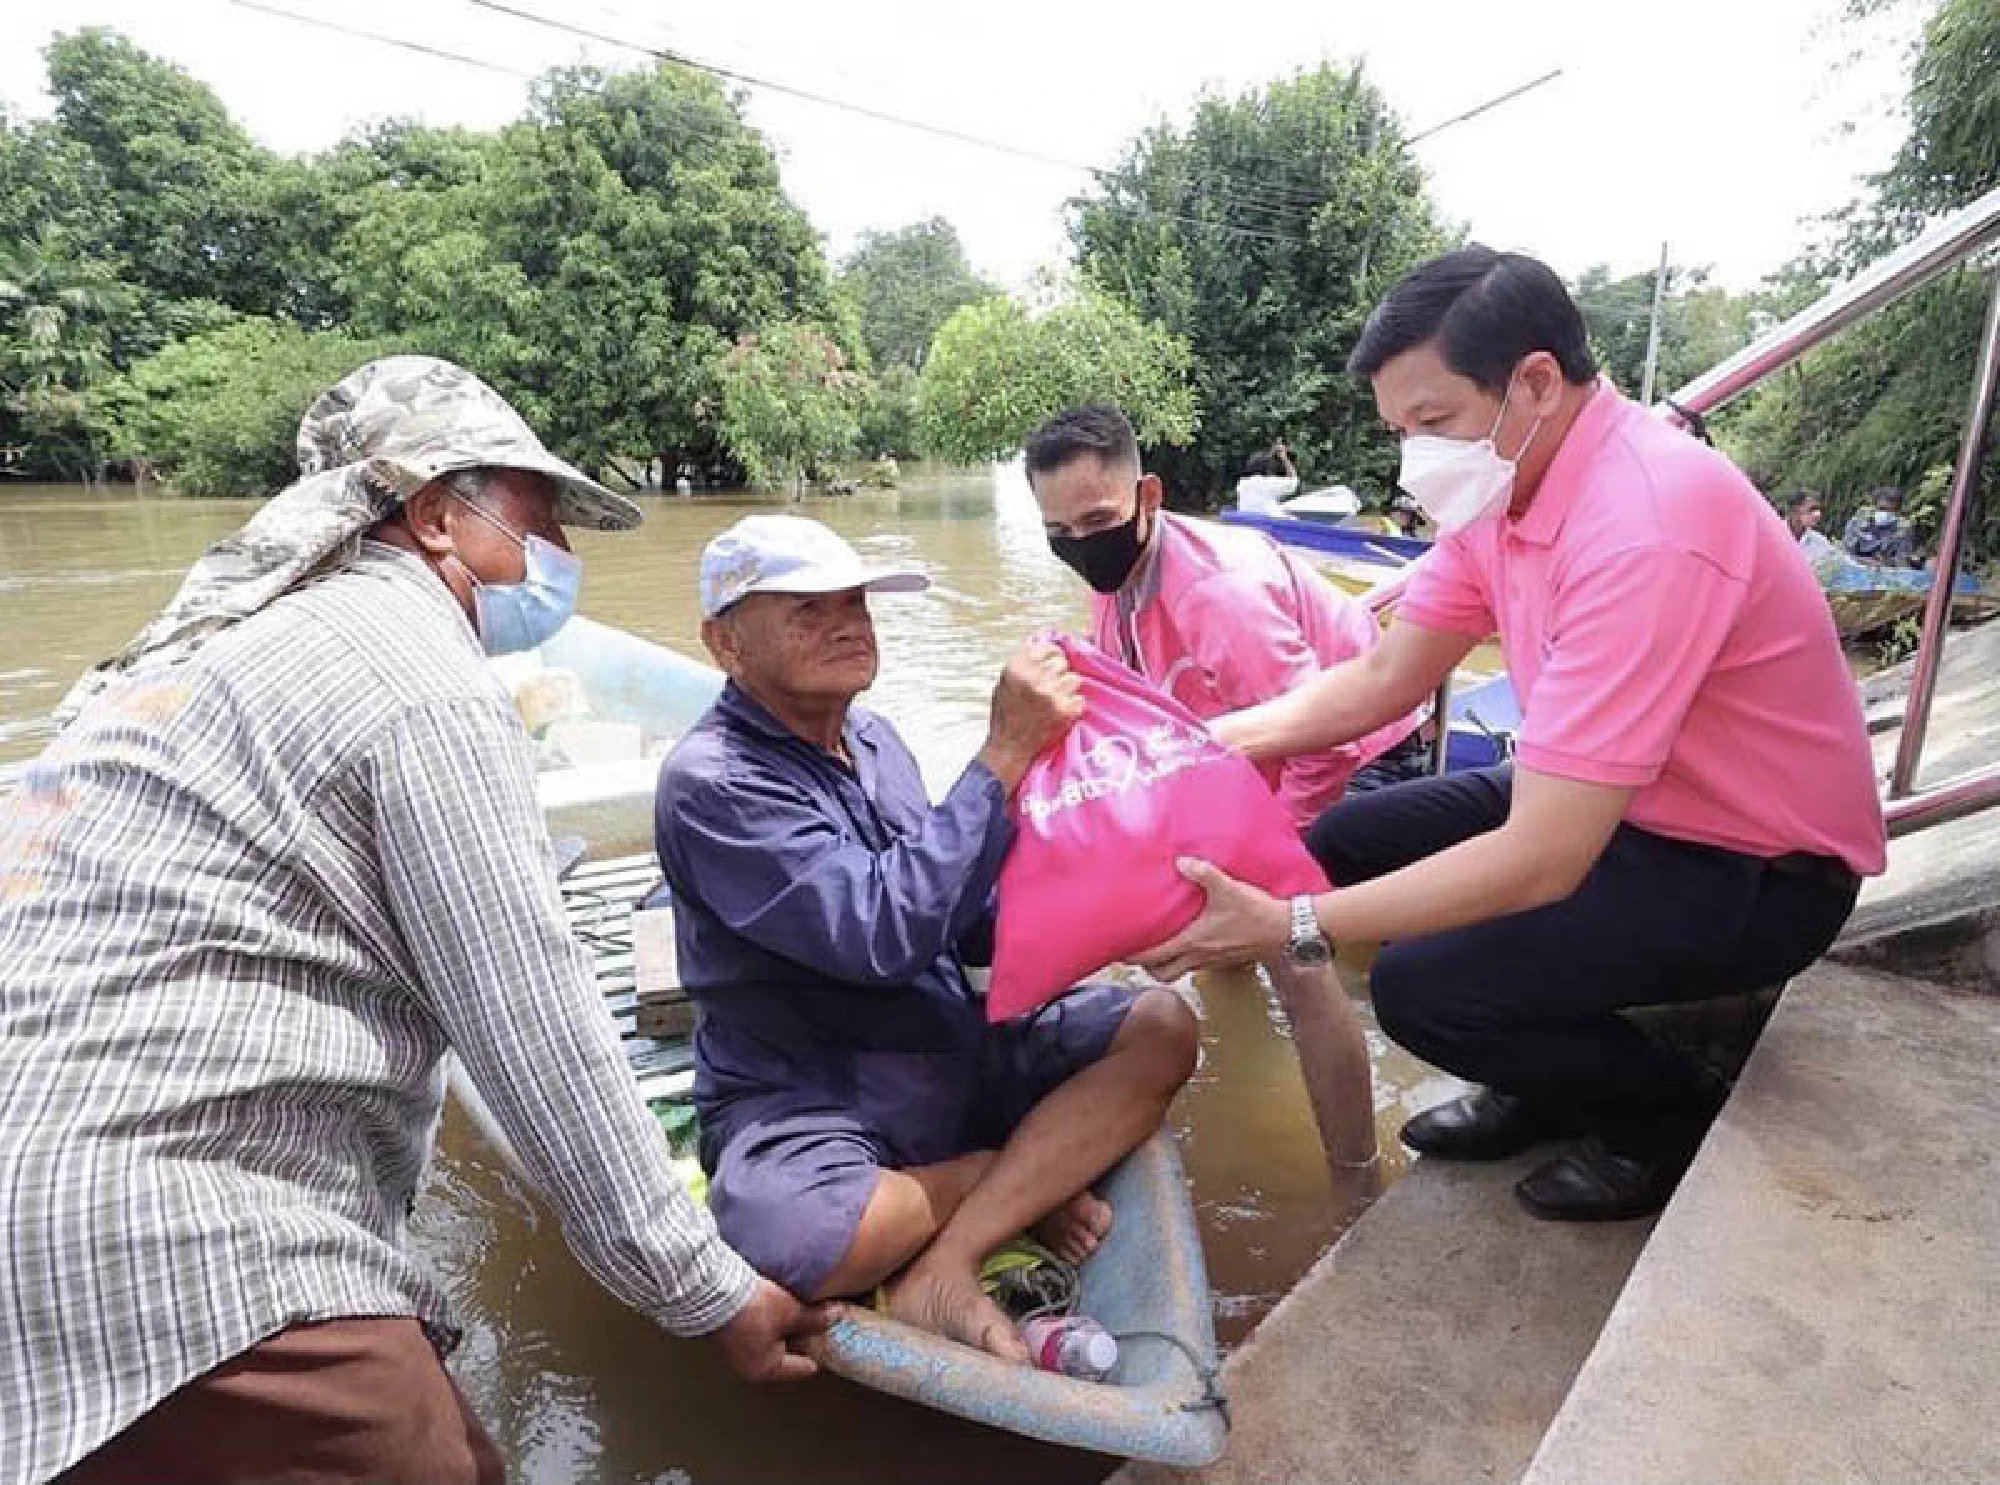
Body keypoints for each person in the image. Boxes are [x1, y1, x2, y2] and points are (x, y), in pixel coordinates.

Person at [0, 357, 827, 1485]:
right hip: (178, 1229)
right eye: (539, 525)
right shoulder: (417, 671)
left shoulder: (200, 653)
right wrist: (702, 1289)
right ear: (438, 515)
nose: (560, 566)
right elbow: (533, 1026)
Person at [1137, 247, 1886, 1222]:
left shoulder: (1646, 523)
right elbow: (1380, 677)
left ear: (1533, 382)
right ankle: (1543, 1075)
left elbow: (1540, 858)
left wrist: (1286, 927)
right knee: (1339, 846)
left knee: (1420, 989)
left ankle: (1660, 1119)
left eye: (1432, 421)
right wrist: (1192, 745)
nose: (1414, 457)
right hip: (1628, 799)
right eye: (1399, 430)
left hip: (1751, 863)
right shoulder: (1506, 489)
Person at [654, 514, 1199, 1363]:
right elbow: (884, 931)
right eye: (806, 609)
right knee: (799, 1237)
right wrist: (1006, 751)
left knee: (1161, 1024)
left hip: (950, 1049)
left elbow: (967, 916)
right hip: (812, 1090)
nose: (846, 623)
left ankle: (944, 1258)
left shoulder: (874, 739)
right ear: (724, 643)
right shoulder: (713, 784)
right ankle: (1000, 1179)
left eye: (855, 604)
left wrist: (1124, 903)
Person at [1025, 405, 1426, 1174]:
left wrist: (1267, 866)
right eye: (1059, 532)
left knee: (1293, 949)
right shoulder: (1115, 579)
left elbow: (1327, 736)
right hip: (1249, 743)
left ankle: (1352, 1175)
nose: (1081, 545)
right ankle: (1242, 1039)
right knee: (1199, 894)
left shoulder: (1220, 595)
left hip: (1361, 746)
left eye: (1097, 519)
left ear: (1147, 495)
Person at [1842, 486, 1919, 566]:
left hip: (1884, 571)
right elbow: (1846, 552)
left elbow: (1902, 560)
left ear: (1898, 510)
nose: (1885, 513)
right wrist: (1864, 561)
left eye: (1892, 510)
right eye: (1882, 509)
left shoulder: (1903, 530)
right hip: (1854, 565)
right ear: (1875, 506)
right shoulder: (1858, 522)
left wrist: (1885, 562)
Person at [1785, 490, 1841, 571]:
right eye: (1812, 509)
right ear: (1795, 509)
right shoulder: (1773, 534)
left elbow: (1836, 564)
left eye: (1818, 509)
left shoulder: (1820, 542)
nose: (1818, 514)